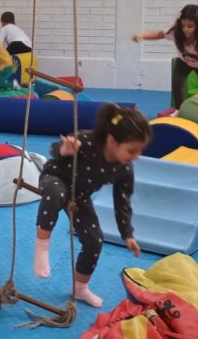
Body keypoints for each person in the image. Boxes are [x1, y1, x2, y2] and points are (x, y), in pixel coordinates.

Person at [33, 104, 151, 308]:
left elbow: (122, 202)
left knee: (94, 241)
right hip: (56, 178)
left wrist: (127, 234)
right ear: (112, 141)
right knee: (55, 192)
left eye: (140, 151)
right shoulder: (87, 140)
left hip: (79, 195)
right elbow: (54, 149)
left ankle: (80, 289)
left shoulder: (124, 168)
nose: (136, 156)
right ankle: (42, 247)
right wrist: (64, 150)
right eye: (132, 150)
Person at [132, 4, 198, 108]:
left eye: (190, 26)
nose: (185, 29)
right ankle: (179, 109)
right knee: (176, 84)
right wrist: (142, 36)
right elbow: (160, 34)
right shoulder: (176, 33)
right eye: (183, 26)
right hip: (184, 62)